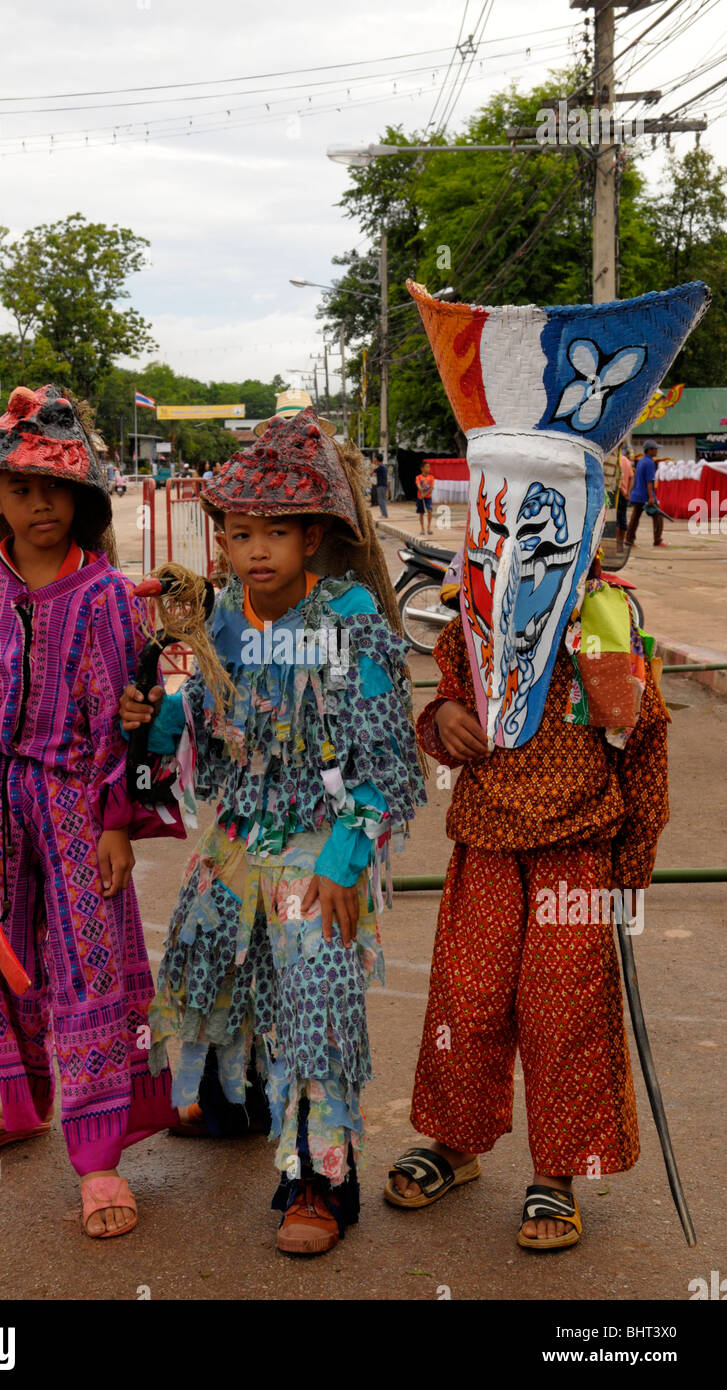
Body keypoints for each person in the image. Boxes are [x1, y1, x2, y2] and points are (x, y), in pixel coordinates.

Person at [389, 279, 708, 1250]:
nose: (518, 530)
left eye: (540, 512)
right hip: (484, 846)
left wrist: (629, 866)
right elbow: (433, 704)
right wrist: (441, 716)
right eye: (501, 509)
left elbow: (643, 742)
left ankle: (553, 1172)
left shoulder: (604, 623)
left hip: (580, 856)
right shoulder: (469, 623)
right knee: (466, 997)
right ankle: (454, 1140)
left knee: (563, 1013)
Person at [120, 407, 426, 1256]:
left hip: (322, 840)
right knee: (202, 953)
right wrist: (150, 719)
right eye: (241, 531)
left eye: (278, 532)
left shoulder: (351, 618)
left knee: (314, 1002)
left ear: (316, 536)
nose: (256, 549)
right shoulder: (223, 620)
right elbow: (209, 726)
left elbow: (386, 764)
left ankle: (318, 1182)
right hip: (241, 831)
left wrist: (342, 859)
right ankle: (233, 1104)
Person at [0, 385, 184, 1240]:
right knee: (6, 969)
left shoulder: (107, 600)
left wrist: (114, 823)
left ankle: (98, 1159)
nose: (38, 505)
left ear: (82, 500)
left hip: (74, 815)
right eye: (20, 489)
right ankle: (22, 1106)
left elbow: (132, 722)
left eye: (54, 490)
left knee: (92, 978)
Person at [625, 439, 665, 548]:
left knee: (635, 518)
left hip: (637, 494)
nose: (657, 451)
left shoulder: (641, 461)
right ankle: (657, 540)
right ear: (650, 450)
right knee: (658, 517)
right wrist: (651, 497)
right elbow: (649, 482)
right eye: (655, 449)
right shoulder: (649, 463)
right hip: (645, 495)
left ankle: (629, 539)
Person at [616, 442, 634, 552]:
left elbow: (616, 478)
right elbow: (632, 477)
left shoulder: (616, 460)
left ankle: (617, 545)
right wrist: (628, 492)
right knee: (622, 519)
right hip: (625, 494)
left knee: (616, 521)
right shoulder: (626, 461)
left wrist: (623, 491)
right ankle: (620, 545)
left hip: (617, 493)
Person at [415, 460, 434, 534]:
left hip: (428, 497)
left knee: (429, 510)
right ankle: (422, 528)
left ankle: (429, 527)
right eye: (427, 467)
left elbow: (431, 488)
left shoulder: (431, 477)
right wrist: (421, 491)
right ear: (422, 468)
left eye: (429, 467)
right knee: (421, 512)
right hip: (420, 498)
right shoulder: (418, 477)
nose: (428, 469)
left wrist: (424, 494)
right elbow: (418, 485)